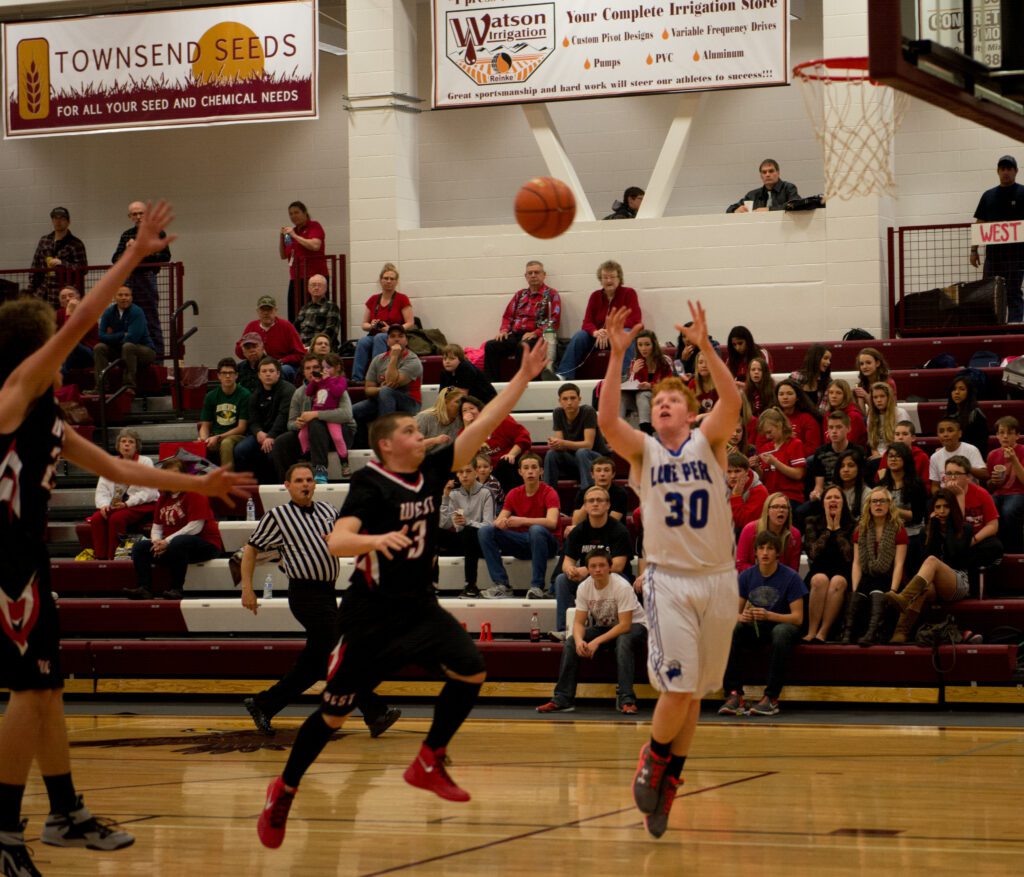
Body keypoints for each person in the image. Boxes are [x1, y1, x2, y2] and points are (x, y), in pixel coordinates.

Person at [0, 200, 252, 874]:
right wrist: (134, 256)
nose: (69, 340)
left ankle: (63, 808)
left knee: (47, 689)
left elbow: (116, 467)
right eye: (54, 335)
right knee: (27, 690)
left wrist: (205, 485)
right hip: (4, 566)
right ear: (37, 346)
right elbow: (83, 318)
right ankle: (1, 831)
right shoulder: (12, 391)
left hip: (25, 563)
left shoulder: (44, 414)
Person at [256, 336, 550, 849]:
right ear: (390, 445)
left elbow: (480, 424)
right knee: (332, 713)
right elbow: (337, 539)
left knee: (473, 670)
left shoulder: (432, 469)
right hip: (369, 618)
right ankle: (284, 788)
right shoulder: (370, 485)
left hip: (420, 609)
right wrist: (375, 539)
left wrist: (523, 378)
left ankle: (428, 759)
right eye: (413, 430)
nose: (424, 434)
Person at [597, 300, 741, 840]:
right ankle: (653, 759)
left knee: (696, 695)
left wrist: (705, 348)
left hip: (720, 579)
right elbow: (608, 420)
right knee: (678, 691)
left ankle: (671, 783)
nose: (662, 404)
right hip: (670, 580)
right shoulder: (644, 454)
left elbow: (733, 399)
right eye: (656, 400)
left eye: (672, 400)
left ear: (689, 412)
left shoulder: (712, 441)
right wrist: (614, 358)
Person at [240, 463, 399, 738]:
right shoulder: (278, 516)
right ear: (287, 485)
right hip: (304, 594)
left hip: (327, 593)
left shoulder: (328, 510)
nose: (305, 484)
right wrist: (247, 588)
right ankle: (375, 711)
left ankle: (264, 704)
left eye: (309, 480)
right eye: (299, 480)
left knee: (315, 665)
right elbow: (251, 549)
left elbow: (345, 540)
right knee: (342, 653)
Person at [537, 548, 648, 714]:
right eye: (593, 566)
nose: (598, 569)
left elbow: (625, 625)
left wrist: (596, 641)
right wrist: (580, 640)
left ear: (610, 567)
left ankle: (627, 699)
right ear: (587, 569)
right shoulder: (584, 587)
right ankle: (563, 698)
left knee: (623, 641)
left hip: (635, 625)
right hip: (606, 626)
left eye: (602, 565)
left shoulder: (622, 586)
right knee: (571, 642)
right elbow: (579, 623)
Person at [718, 531, 806, 717]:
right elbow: (733, 612)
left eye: (770, 549)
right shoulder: (746, 576)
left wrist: (769, 615)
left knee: (781, 632)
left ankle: (771, 698)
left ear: (777, 554)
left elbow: (798, 618)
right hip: (758, 627)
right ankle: (734, 694)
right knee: (733, 628)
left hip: (783, 626)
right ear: (755, 553)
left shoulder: (791, 577)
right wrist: (741, 617)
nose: (765, 552)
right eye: (761, 548)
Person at [124, 458, 224, 600]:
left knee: (179, 542)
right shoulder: (163, 498)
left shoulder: (195, 492)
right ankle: (144, 588)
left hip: (204, 545)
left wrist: (167, 542)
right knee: (140, 547)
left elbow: (196, 526)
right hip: (173, 546)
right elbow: (157, 527)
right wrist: (157, 543)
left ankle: (176, 588)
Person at [886, 489, 972, 643]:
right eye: (937, 507)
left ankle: (904, 597)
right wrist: (933, 531)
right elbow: (923, 560)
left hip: (958, 582)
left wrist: (949, 527)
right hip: (933, 585)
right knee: (923, 585)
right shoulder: (926, 531)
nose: (942, 511)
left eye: (946, 507)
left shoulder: (964, 529)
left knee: (932, 561)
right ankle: (901, 632)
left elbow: (955, 555)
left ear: (953, 508)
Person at [551, 486, 632, 640]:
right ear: (585, 506)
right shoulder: (578, 531)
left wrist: (586, 571)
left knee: (624, 581)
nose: (595, 504)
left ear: (608, 505)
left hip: (615, 579)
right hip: (588, 581)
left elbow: (618, 565)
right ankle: (564, 629)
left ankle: (618, 627)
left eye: (599, 500)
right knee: (562, 579)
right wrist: (571, 570)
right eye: (591, 501)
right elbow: (567, 562)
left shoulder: (619, 531)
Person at [477, 453, 560, 599]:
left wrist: (522, 520)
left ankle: (537, 587)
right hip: (522, 543)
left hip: (547, 544)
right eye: (526, 468)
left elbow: (552, 522)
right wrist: (501, 523)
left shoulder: (549, 492)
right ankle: (501, 585)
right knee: (486, 531)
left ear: (541, 471)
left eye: (534, 468)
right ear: (520, 472)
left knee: (536, 530)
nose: (530, 471)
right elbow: (500, 519)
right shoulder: (514, 493)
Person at [839, 487, 908, 647]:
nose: (878, 505)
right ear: (868, 505)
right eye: (874, 501)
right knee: (858, 594)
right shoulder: (860, 529)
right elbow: (856, 563)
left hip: (889, 576)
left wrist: (893, 591)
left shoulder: (898, 529)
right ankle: (847, 632)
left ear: (889, 504)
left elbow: (899, 564)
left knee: (877, 589)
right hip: (868, 574)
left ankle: (873, 632)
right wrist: (855, 589)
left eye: (882, 501)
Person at [273, 354, 355, 484]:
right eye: (308, 368)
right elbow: (290, 423)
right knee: (281, 442)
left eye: (316, 367)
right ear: (303, 372)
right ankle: (287, 483)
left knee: (315, 422)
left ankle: (320, 469)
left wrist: (315, 415)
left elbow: (346, 415)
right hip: (310, 434)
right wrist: (298, 424)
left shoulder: (336, 385)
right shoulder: (299, 392)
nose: (312, 371)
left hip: (341, 433)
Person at [557, 260, 641, 380]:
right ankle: (563, 374)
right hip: (598, 338)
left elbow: (634, 320)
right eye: (605, 277)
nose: (608, 280)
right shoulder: (595, 296)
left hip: (617, 336)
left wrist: (611, 331)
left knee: (627, 334)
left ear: (619, 278)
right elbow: (587, 322)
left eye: (612, 277)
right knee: (580, 336)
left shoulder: (629, 293)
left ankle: (624, 376)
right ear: (600, 280)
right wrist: (596, 332)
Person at [86, 428, 158, 561]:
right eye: (123, 441)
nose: (126, 444)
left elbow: (149, 491)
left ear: (136, 446)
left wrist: (127, 504)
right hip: (118, 504)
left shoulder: (145, 461)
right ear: (118, 445)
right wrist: (104, 505)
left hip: (143, 504)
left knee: (116, 519)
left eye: (131, 442)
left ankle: (114, 557)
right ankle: (100, 557)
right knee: (97, 518)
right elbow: (102, 488)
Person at [483, 261, 560, 381]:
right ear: (526, 276)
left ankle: (522, 384)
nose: (533, 275)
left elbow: (553, 322)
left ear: (544, 275)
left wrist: (536, 333)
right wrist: (503, 330)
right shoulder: (520, 295)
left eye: (537, 272)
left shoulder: (551, 295)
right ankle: (492, 385)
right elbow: (508, 316)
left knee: (523, 346)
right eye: (530, 273)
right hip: (516, 334)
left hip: (537, 336)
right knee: (491, 346)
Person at [112, 200, 171, 356]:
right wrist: (127, 251)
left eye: (141, 213)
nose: (138, 217)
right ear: (130, 216)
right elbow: (115, 258)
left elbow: (165, 256)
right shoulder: (127, 235)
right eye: (134, 214)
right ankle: (128, 355)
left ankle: (158, 357)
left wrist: (143, 252)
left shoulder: (157, 232)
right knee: (126, 318)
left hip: (146, 278)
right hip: (129, 280)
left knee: (150, 318)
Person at [971, 154, 1024, 322]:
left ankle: (1014, 330)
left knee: (1013, 293)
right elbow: (980, 223)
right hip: (993, 257)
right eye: (1003, 169)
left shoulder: (1023, 193)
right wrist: (974, 250)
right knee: (989, 292)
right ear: (997, 171)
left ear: (1016, 171)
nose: (1006, 172)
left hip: (1017, 257)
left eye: (1009, 169)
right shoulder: (988, 196)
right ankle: (991, 330)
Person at [351, 324, 423, 445]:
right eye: (393, 336)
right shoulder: (378, 360)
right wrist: (381, 389)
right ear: (387, 341)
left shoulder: (413, 360)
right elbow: (368, 390)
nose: (396, 339)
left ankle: (385, 435)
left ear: (406, 340)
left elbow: (392, 380)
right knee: (354, 411)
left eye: (400, 336)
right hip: (383, 399)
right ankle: (364, 445)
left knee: (386, 392)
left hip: (409, 402)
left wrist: (394, 357)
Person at [802, 485, 854, 642]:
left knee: (837, 581)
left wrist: (837, 529)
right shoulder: (812, 521)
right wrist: (827, 531)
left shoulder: (853, 524)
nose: (833, 500)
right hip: (819, 569)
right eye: (829, 497)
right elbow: (812, 553)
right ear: (822, 502)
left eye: (837, 497)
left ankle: (823, 632)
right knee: (819, 579)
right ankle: (811, 631)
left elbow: (849, 556)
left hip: (844, 571)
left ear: (843, 502)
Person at [439, 461, 496, 598]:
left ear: (476, 472)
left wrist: (468, 522)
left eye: (468, 471)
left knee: (469, 532)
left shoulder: (486, 493)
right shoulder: (454, 494)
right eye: (460, 472)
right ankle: (429, 584)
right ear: (457, 475)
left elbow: (489, 525)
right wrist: (445, 497)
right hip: (462, 539)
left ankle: (471, 585)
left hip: (481, 542)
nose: (464, 475)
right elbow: (444, 524)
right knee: (433, 533)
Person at [234, 357, 296, 483]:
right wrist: (258, 432)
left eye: (271, 371)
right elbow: (253, 419)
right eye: (264, 371)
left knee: (271, 452)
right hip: (262, 434)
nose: (268, 374)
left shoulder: (288, 390)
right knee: (241, 450)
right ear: (259, 375)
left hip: (282, 433)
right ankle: (247, 486)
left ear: (278, 374)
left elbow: (283, 416)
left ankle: (275, 486)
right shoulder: (255, 394)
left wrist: (271, 436)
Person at [351, 263, 414, 383]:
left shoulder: (402, 298)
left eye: (392, 279)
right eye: (386, 278)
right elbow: (364, 325)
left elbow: (410, 323)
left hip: (393, 335)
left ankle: (378, 377)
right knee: (363, 341)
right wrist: (371, 326)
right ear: (380, 280)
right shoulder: (373, 299)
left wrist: (391, 329)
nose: (388, 281)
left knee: (380, 338)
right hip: (374, 334)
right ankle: (356, 378)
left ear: (396, 282)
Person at [942, 455, 1004, 571]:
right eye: (949, 473)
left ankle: (959, 568)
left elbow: (993, 526)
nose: (953, 477)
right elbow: (951, 529)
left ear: (967, 477)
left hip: (976, 539)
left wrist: (972, 541)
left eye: (957, 473)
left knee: (995, 546)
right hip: (954, 540)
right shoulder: (942, 497)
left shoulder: (981, 493)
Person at [91, 286, 157, 394]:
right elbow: (101, 336)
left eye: (127, 295)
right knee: (99, 348)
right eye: (120, 295)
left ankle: (129, 386)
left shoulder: (137, 312)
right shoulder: (108, 312)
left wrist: (112, 337)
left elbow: (132, 338)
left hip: (145, 351)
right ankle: (101, 387)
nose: (124, 298)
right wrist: (122, 334)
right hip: (120, 350)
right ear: (114, 297)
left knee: (128, 346)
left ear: (131, 297)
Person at [459, 395, 531, 493]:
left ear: (480, 410)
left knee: (505, 462)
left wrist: (511, 454)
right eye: (464, 411)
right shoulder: (463, 433)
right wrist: (467, 427)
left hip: (504, 464)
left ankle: (511, 501)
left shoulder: (500, 419)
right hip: (482, 470)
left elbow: (524, 437)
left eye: (472, 408)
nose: (469, 413)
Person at [544, 382, 607, 489]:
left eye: (573, 398)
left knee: (582, 452)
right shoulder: (558, 413)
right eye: (565, 399)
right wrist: (555, 443)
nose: (569, 402)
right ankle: (548, 494)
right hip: (574, 460)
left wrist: (562, 443)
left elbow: (588, 445)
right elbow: (560, 445)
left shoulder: (588, 411)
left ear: (579, 399)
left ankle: (587, 493)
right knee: (552, 453)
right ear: (560, 401)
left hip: (595, 459)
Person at [877, 441, 929, 571]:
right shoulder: (883, 484)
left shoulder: (916, 484)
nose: (893, 459)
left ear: (905, 459)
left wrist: (892, 508)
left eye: (898, 456)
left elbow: (917, 517)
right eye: (890, 456)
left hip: (912, 531)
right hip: (888, 530)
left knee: (910, 545)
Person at [234, 295, 306, 384]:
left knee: (279, 371)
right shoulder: (251, 326)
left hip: (282, 366)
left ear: (275, 311)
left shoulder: (286, 327)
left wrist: (281, 361)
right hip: (257, 365)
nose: (266, 313)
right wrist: (246, 350)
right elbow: (239, 353)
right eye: (263, 310)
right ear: (258, 312)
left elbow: (300, 354)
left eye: (269, 310)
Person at [279, 200, 328, 323]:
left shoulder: (314, 226)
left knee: (316, 313)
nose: (293, 216)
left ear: (305, 213)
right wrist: (281, 239)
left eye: (296, 212)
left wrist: (294, 235)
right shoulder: (292, 232)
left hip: (314, 277)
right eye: (290, 214)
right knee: (294, 314)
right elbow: (284, 255)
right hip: (296, 278)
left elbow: (315, 245)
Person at [198, 357, 251, 469]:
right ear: (218, 376)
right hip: (216, 436)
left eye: (231, 373)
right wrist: (204, 439)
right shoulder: (211, 396)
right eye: (224, 373)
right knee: (196, 446)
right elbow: (205, 425)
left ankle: (227, 483)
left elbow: (242, 427)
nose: (227, 376)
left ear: (236, 375)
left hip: (237, 436)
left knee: (226, 443)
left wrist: (218, 437)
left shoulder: (245, 395)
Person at [30, 207, 87, 308]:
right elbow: (35, 266)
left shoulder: (76, 244)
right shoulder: (44, 240)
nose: (58, 221)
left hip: (64, 296)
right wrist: (32, 289)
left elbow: (83, 269)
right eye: (55, 218)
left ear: (68, 222)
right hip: (42, 293)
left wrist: (63, 263)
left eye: (62, 218)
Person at [751, 409, 806, 508]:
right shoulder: (766, 447)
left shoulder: (795, 444)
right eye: (765, 434)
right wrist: (756, 467)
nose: (768, 436)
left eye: (770, 432)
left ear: (780, 425)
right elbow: (763, 478)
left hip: (790, 497)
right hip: (769, 497)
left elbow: (798, 474)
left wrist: (775, 463)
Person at [621, 329, 673, 432]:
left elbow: (669, 385)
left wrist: (650, 386)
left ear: (653, 345)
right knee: (622, 396)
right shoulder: (635, 362)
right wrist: (633, 372)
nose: (643, 348)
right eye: (640, 345)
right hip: (638, 398)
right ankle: (617, 429)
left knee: (643, 394)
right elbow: (630, 385)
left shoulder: (665, 361)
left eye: (647, 344)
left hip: (657, 395)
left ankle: (646, 430)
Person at [736, 492, 802, 573]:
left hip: (781, 581)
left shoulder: (794, 535)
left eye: (784, 507)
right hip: (752, 579)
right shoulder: (749, 530)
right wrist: (763, 572)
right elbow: (740, 564)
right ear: (767, 511)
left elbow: (793, 570)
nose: (781, 510)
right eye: (775, 507)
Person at [987, 415, 1024, 553]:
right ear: (996, 435)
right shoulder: (993, 455)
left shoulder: (1022, 451)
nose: (1005, 436)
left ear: (1017, 435)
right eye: (1001, 433)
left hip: (1019, 492)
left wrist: (1014, 460)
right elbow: (990, 486)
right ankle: (995, 548)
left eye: (1010, 433)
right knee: (989, 508)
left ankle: (1015, 551)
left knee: (1008, 511)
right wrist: (993, 481)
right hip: (998, 493)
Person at [568, 456, 629, 525]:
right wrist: (589, 498)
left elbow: (611, 523)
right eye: (598, 470)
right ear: (592, 475)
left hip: (611, 533)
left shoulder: (620, 494)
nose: (602, 474)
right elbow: (576, 522)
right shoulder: (583, 493)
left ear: (613, 474)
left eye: (606, 470)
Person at [929, 417, 987, 488]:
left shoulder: (971, 450)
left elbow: (985, 475)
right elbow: (935, 485)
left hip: (969, 493)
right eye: (941, 431)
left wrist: (966, 467)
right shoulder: (934, 457)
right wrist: (941, 498)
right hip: (947, 495)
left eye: (950, 431)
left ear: (959, 433)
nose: (945, 434)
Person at [725, 158, 800, 213]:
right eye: (764, 172)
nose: (767, 174)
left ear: (778, 173)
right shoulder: (752, 195)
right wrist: (735, 210)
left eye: (771, 171)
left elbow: (795, 204)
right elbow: (729, 209)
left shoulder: (788, 188)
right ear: (761, 176)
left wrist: (768, 209)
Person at [56, 288, 100, 379]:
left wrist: (69, 314)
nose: (67, 299)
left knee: (71, 343)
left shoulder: (88, 314)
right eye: (63, 297)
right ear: (60, 303)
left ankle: (60, 384)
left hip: (88, 353)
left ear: (78, 298)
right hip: (68, 354)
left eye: (71, 296)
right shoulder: (58, 314)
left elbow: (70, 335)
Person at [773, 378, 822, 455]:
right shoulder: (771, 418)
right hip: (774, 458)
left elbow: (812, 448)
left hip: (800, 460)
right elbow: (762, 444)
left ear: (797, 397)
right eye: (781, 394)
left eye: (789, 393)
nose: (785, 397)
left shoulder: (807, 419)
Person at [945, 374, 989, 457]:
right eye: (954, 389)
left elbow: (981, 446)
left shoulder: (976, 415)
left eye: (962, 389)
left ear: (969, 392)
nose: (957, 392)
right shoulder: (949, 414)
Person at [865, 382, 910, 463]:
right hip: (877, 457)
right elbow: (873, 443)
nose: (878, 400)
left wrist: (884, 457)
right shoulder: (871, 416)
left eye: (882, 396)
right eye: (875, 397)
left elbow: (903, 442)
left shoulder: (900, 413)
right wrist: (876, 455)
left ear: (889, 397)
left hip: (897, 456)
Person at [294, 274, 341, 351]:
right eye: (313, 285)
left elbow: (330, 332)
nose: (316, 288)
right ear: (308, 288)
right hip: (301, 348)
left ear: (326, 288)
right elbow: (295, 330)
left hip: (320, 349)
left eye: (319, 285)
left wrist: (312, 347)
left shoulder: (331, 307)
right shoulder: (304, 308)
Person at [727, 452, 768, 535]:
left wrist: (736, 496)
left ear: (747, 472)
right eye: (729, 471)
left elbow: (743, 524)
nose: (733, 476)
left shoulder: (759, 491)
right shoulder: (719, 487)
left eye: (737, 471)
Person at [877, 419, 930, 484]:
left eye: (905, 434)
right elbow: (878, 480)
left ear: (913, 438)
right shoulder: (887, 454)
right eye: (897, 434)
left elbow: (926, 484)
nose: (900, 437)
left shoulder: (922, 456)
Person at [417, 387, 464, 455]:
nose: (461, 405)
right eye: (457, 402)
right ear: (445, 402)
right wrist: (434, 440)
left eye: (462, 402)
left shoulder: (461, 419)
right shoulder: (425, 417)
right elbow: (411, 445)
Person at [823, 378, 867, 448]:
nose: (833, 396)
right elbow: (826, 439)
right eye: (831, 392)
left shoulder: (854, 415)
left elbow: (849, 443)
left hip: (852, 454)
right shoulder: (828, 414)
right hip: (831, 451)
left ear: (846, 396)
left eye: (838, 393)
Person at [853, 347, 895, 414]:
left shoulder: (888, 383)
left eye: (868, 363)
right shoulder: (862, 383)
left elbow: (885, 410)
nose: (864, 367)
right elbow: (862, 414)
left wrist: (866, 396)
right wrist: (858, 397)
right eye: (861, 364)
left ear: (877, 363)